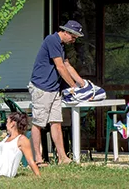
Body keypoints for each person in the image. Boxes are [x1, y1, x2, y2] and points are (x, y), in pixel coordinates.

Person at [28, 20, 86, 166]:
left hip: (54, 89)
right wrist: (73, 86)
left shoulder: (61, 45)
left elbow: (67, 65)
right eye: (73, 37)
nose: (73, 40)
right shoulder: (52, 40)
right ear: (66, 32)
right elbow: (60, 67)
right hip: (42, 88)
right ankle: (38, 159)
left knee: (56, 123)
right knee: (38, 123)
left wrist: (82, 83)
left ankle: (63, 158)